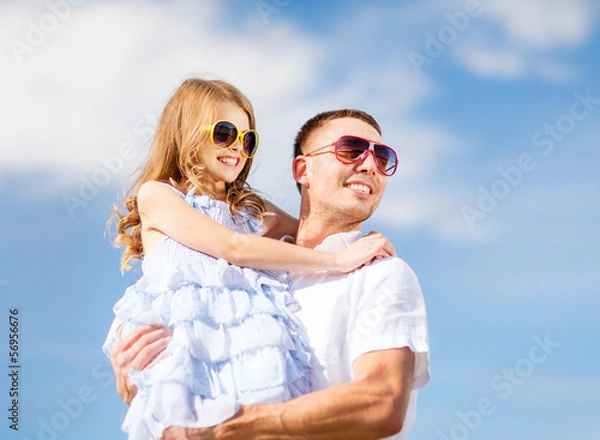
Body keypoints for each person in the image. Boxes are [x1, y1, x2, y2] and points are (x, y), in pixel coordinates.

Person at [110, 108, 430, 440]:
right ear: (303, 169)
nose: (369, 165)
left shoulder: (379, 273)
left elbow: (381, 402)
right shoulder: (236, 281)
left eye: (383, 157)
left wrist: (226, 427)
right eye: (350, 150)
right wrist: (142, 387)